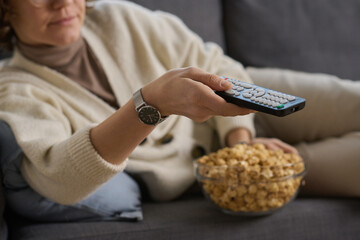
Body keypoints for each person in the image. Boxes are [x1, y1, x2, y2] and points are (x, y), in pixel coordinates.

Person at [0, 0, 359, 221]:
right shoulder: (16, 88)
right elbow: (60, 178)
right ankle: (287, 167)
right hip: (224, 172)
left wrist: (242, 142)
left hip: (248, 106)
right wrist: (150, 104)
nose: (62, 3)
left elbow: (214, 61)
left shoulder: (120, 18)